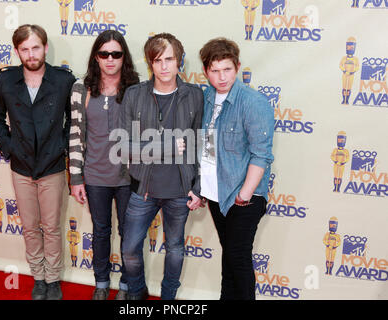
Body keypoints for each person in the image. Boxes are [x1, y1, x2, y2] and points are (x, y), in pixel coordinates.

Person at [0, 24, 76, 300]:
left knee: (51, 227)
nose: (31, 54)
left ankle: (53, 279)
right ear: (18, 51)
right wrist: (8, 147)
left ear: (45, 47)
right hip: (21, 166)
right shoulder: (5, 81)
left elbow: (73, 121)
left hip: (52, 167)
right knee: (29, 226)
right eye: (24, 49)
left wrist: (61, 146)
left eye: (35, 47)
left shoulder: (64, 80)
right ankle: (38, 277)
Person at [118, 33, 204, 300]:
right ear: (149, 63)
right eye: (157, 60)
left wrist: (200, 186)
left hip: (180, 190)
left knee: (175, 249)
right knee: (130, 248)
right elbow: (122, 146)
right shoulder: (134, 95)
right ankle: (136, 292)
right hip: (142, 188)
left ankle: (168, 298)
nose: (164, 66)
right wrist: (164, 148)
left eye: (170, 59)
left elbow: (203, 143)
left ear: (179, 61)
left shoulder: (195, 95)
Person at [199, 38, 274, 300]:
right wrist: (200, 188)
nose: (222, 77)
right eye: (215, 71)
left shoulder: (253, 102)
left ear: (238, 66)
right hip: (217, 193)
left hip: (244, 197)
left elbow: (261, 154)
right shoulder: (206, 97)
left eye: (227, 69)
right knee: (230, 257)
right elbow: (206, 147)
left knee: (238, 258)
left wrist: (244, 194)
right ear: (206, 71)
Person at [69, 30, 139, 300]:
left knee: (129, 234)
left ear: (124, 57)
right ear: (96, 57)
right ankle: (100, 283)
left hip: (128, 177)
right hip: (95, 175)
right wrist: (76, 178)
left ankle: (125, 285)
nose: (110, 59)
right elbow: (75, 134)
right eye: (104, 54)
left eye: (116, 54)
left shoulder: (136, 89)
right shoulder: (81, 88)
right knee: (100, 232)